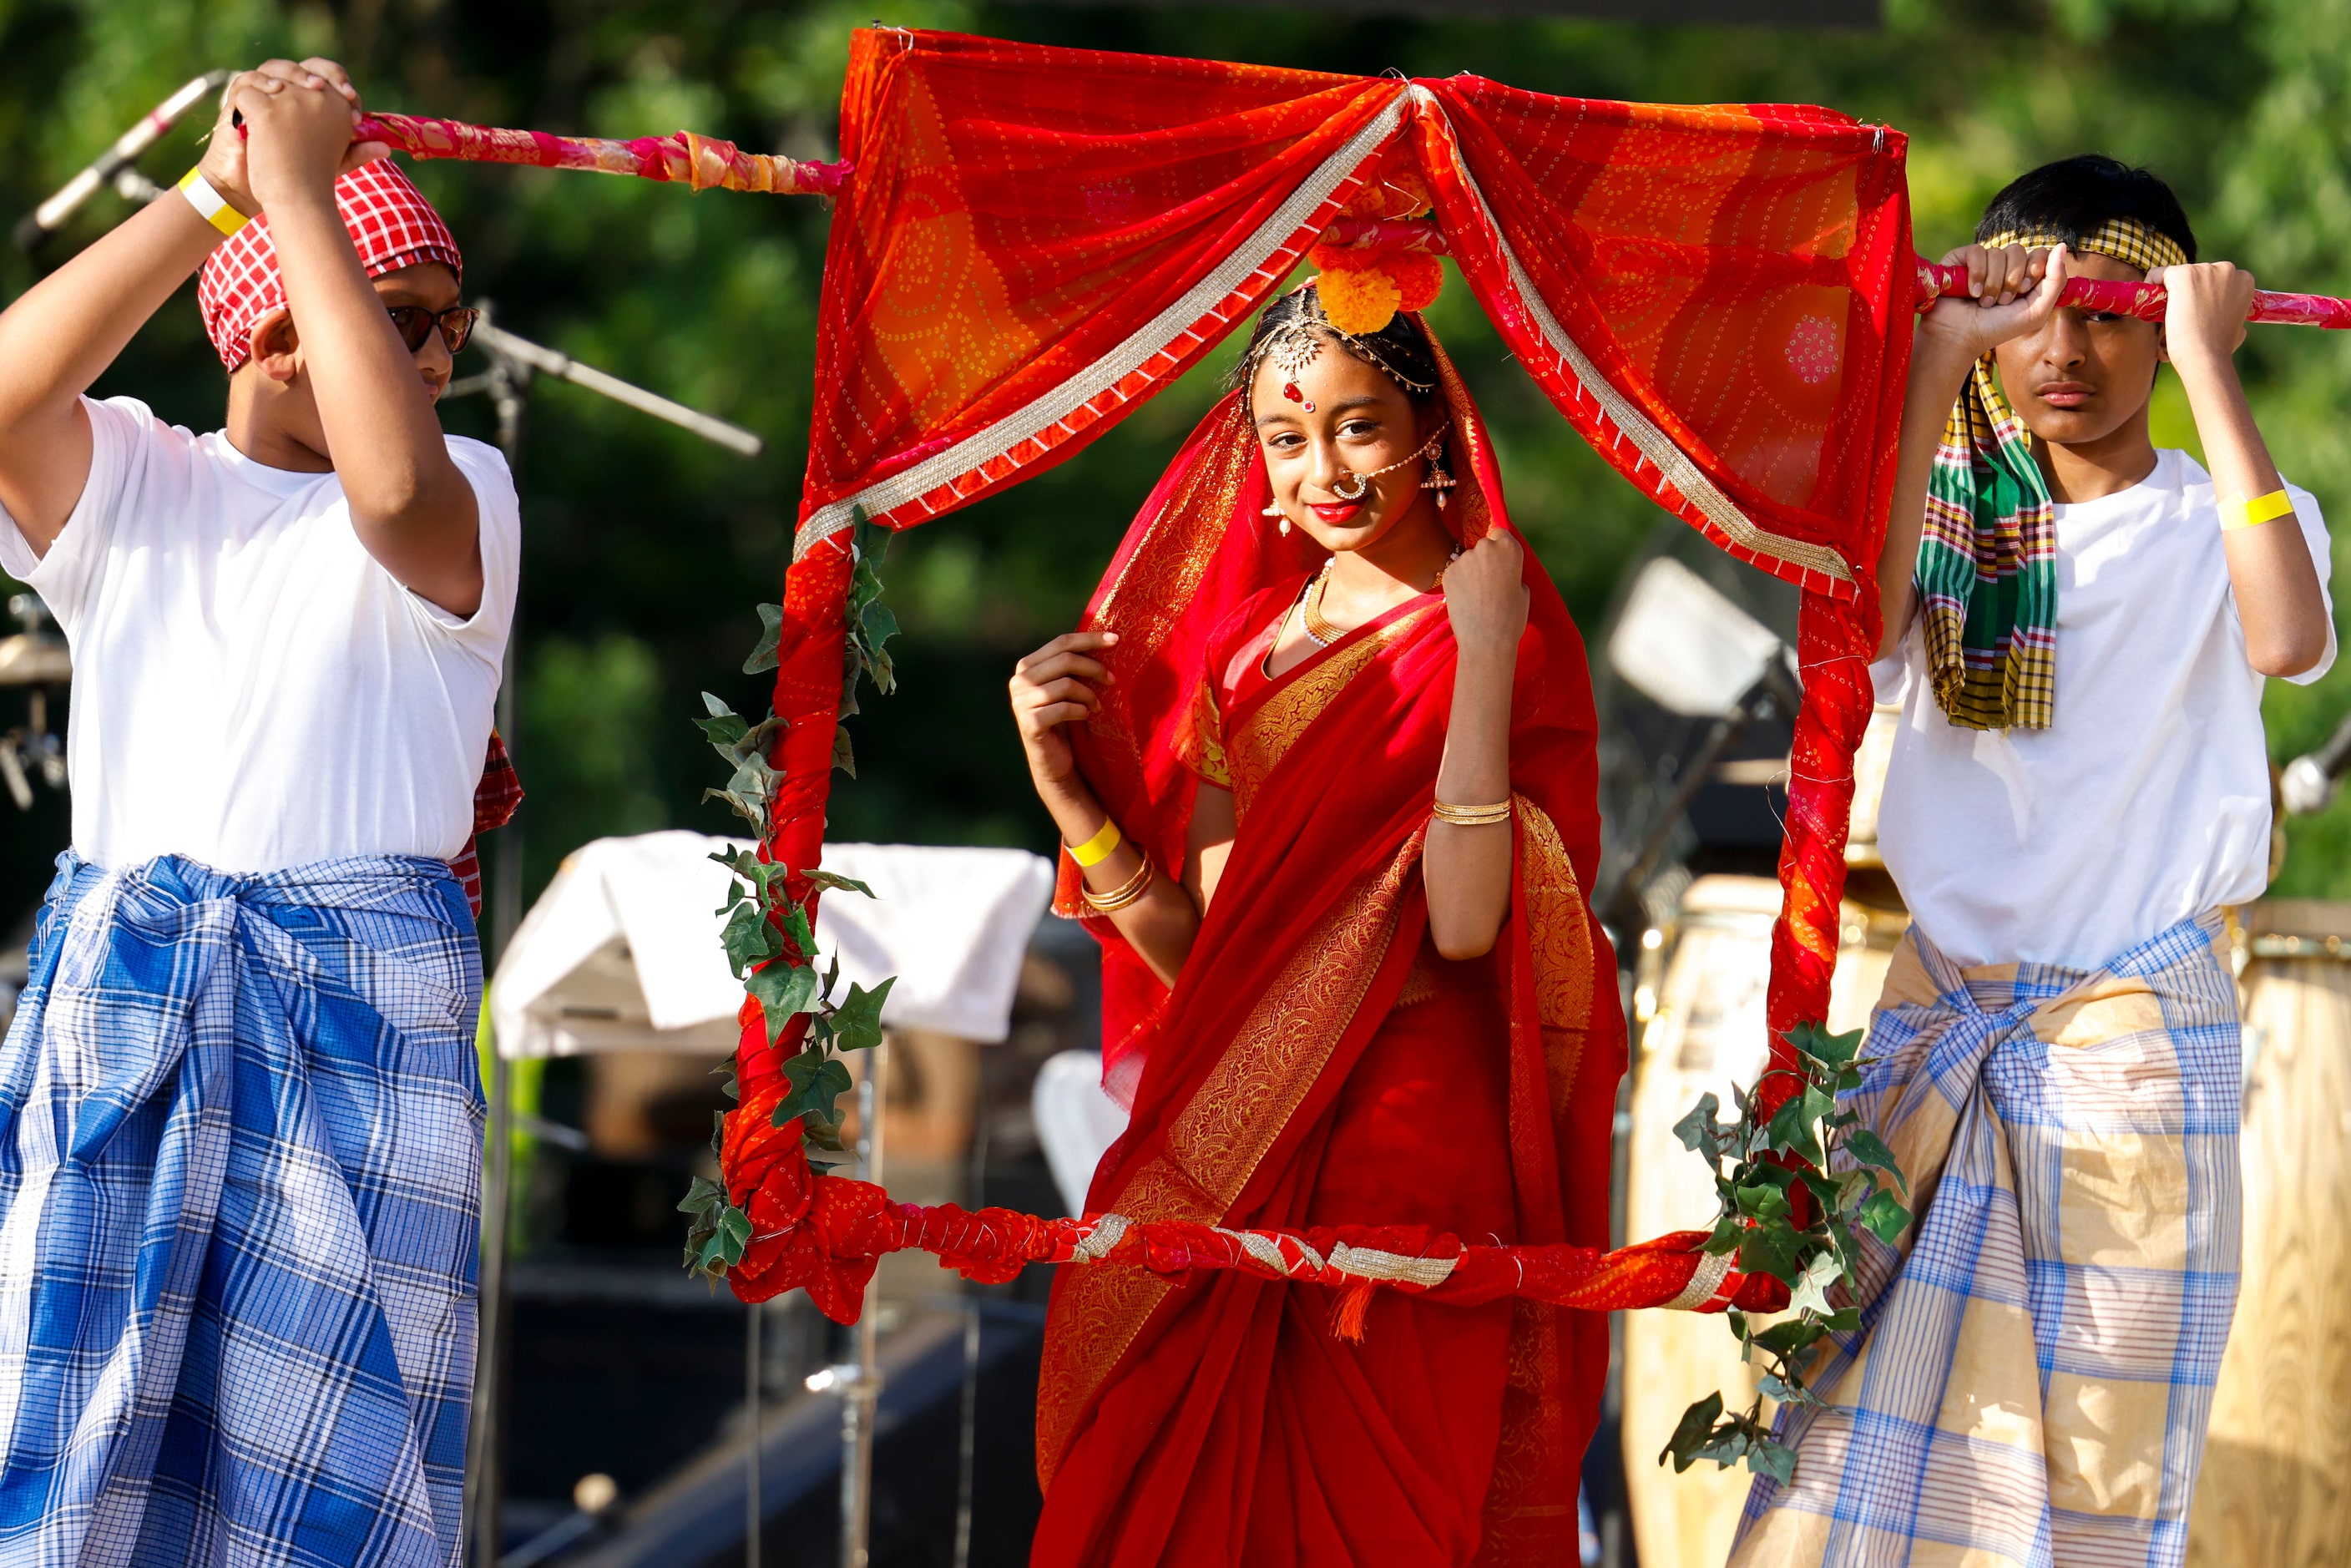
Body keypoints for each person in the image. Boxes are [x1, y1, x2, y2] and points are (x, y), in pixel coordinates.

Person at [1732, 155, 2333, 1566]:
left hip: (2125, 1063)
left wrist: (2213, 367)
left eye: (2111, 314)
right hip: (1934, 1032)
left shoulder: (2220, 517)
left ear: (2163, 324)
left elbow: (2288, 640)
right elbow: (1860, 635)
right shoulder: (1952, 510)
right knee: (1842, 1480)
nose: (2065, 352)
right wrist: (1941, 352)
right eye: (2035, 315)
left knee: (2100, 1493)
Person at [1008, 279, 1624, 1567]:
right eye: (1288, 438)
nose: (1325, 468)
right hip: (1245, 1125)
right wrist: (1071, 798)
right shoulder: (1244, 660)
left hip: (1408, 1145)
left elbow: (1463, 926)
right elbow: (1220, 953)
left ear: (1433, 431)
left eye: (1359, 426)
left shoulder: (1496, 624)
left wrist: (1485, 649)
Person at [0, 59, 517, 1565]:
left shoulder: (461, 482)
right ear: (272, 327)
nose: (436, 354)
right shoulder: (136, 483)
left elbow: (395, 488)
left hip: (355, 1039)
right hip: (130, 1023)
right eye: (403, 320)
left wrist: (300, 192)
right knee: (73, 1474)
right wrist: (220, 191)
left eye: (446, 321)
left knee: (337, 1504)